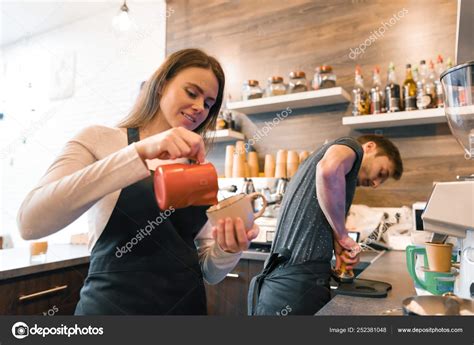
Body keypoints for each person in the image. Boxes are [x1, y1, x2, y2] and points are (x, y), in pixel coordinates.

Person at [17, 48, 259, 315]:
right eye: (192, 93)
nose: (200, 107)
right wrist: (138, 154)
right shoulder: (100, 140)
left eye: (209, 103)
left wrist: (227, 250)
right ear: (160, 85)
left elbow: (206, 270)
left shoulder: (197, 168)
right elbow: (30, 222)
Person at [248, 135, 403, 316]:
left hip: (290, 285)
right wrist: (342, 234)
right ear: (369, 147)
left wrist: (337, 243)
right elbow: (328, 171)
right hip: (292, 288)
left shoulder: (321, 163)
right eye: (382, 173)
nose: (376, 184)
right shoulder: (352, 146)